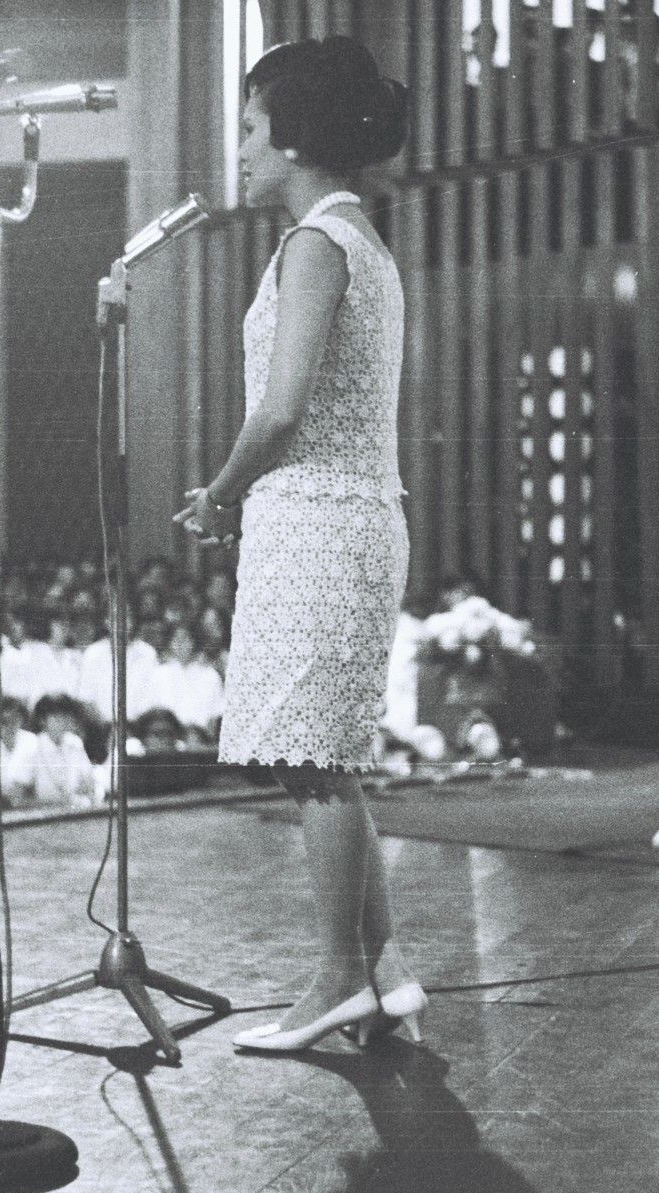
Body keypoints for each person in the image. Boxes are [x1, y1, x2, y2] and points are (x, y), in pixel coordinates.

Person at [175, 37, 420, 1052]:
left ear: (293, 137)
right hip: (336, 516)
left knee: (312, 758)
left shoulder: (317, 245)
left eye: (245, 128)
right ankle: (385, 966)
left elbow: (280, 411)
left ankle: (334, 981)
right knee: (319, 756)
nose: (237, 149)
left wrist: (216, 494)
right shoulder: (357, 238)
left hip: (317, 516)